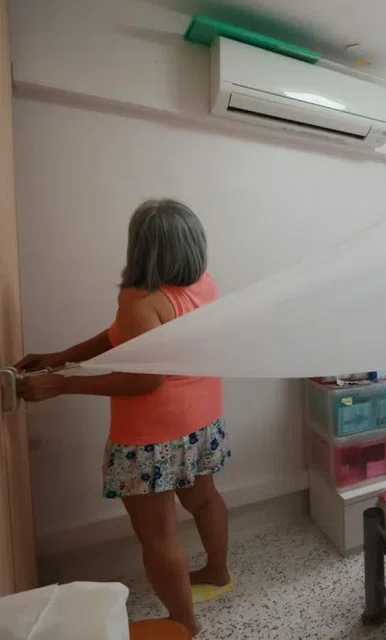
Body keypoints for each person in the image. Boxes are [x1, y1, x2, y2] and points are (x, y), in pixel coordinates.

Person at [18, 199, 232, 637]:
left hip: (152, 434)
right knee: (205, 499)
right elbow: (125, 336)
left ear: (141, 247)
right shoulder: (202, 283)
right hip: (202, 418)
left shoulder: (140, 298)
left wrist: (60, 383)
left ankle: (184, 624)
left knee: (158, 535)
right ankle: (217, 572)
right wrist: (63, 357)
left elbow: (142, 381)